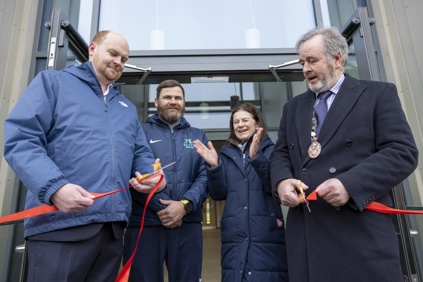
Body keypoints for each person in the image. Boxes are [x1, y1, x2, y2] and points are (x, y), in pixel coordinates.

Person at [3, 30, 166, 282]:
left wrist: (152, 175)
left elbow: (141, 154)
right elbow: (21, 140)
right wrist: (55, 187)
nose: (118, 62)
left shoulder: (127, 108)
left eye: (124, 59)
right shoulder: (53, 83)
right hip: (59, 226)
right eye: (113, 53)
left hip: (111, 233)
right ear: (92, 49)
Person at [270, 27, 419, 282]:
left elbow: (402, 152)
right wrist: (282, 180)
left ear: (337, 59)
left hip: (359, 240)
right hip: (307, 242)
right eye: (302, 62)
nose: (305, 69)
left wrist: (348, 184)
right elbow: (281, 153)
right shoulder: (293, 107)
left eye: (312, 60)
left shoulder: (377, 94)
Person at [123, 79, 208, 282]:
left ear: (184, 102)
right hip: (146, 224)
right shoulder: (139, 132)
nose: (173, 101)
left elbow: (204, 177)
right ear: (156, 101)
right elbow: (128, 173)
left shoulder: (198, 136)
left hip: (187, 224)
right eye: (167, 97)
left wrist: (184, 206)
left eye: (178, 98)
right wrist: (162, 209)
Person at [194, 103, 289, 282]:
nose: (240, 125)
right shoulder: (226, 154)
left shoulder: (272, 150)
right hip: (234, 233)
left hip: (265, 231)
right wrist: (214, 167)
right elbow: (218, 193)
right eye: (236, 122)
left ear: (257, 123)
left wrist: (256, 158)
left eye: (245, 120)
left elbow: (274, 186)